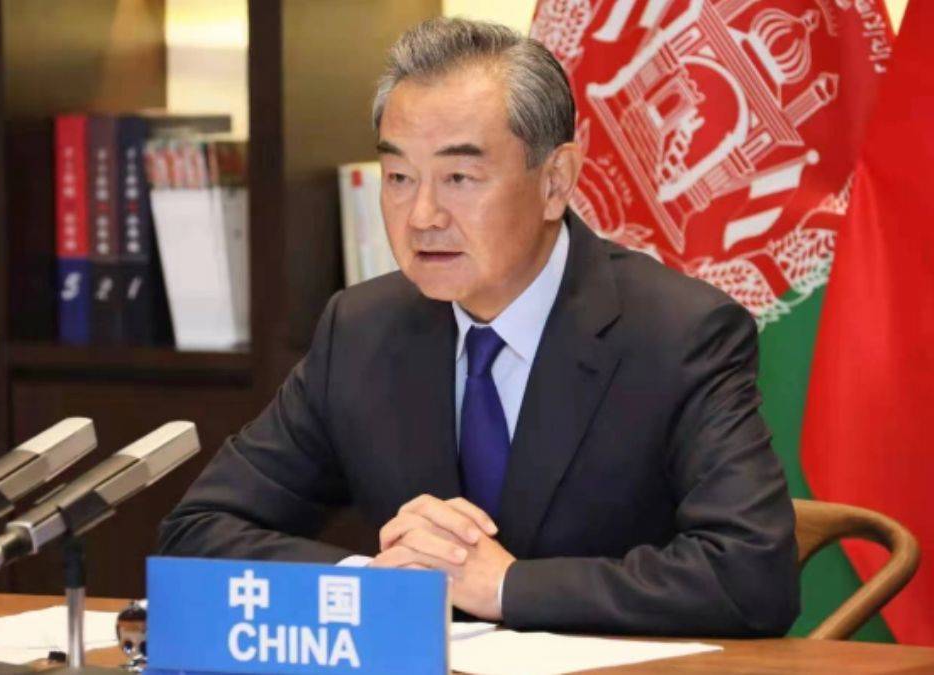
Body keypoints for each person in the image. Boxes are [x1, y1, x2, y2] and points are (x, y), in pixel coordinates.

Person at [158, 17, 798, 636]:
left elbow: (751, 576)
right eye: (399, 177)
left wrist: (506, 586)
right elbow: (198, 531)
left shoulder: (678, 334)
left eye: (459, 178)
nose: (422, 216)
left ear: (555, 182)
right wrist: (376, 584)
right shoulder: (361, 331)